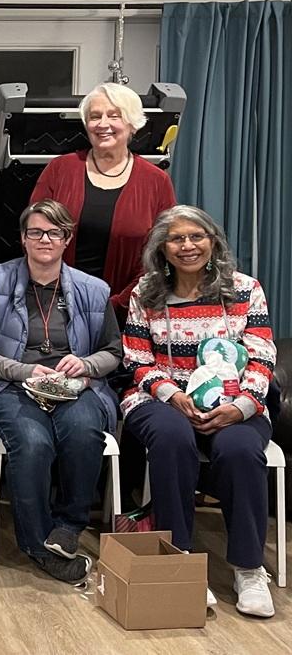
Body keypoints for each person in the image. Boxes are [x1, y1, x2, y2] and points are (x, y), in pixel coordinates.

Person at [0, 199, 122, 584]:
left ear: (66, 239)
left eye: (54, 232)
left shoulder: (94, 290)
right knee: (32, 440)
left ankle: (68, 526)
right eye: (36, 232)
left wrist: (87, 365)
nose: (45, 239)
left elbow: (113, 351)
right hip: (5, 383)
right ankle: (39, 545)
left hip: (72, 384)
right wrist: (22, 370)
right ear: (23, 239)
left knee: (83, 430)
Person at [121, 205, 277, 618]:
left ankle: (248, 568)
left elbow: (262, 356)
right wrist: (173, 394)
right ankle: (180, 559)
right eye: (177, 238)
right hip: (160, 398)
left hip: (236, 403)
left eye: (197, 237)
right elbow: (137, 360)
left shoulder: (245, 289)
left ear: (213, 241)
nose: (187, 246)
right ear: (162, 247)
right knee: (171, 439)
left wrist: (242, 407)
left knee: (241, 450)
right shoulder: (146, 292)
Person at [30, 82, 176, 319]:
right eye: (95, 116)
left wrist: (115, 304)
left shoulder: (156, 181)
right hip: (54, 306)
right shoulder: (60, 169)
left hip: (127, 310)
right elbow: (34, 235)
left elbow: (161, 253)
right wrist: (56, 295)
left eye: (114, 115)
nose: (103, 124)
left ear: (132, 124)